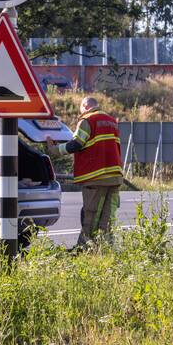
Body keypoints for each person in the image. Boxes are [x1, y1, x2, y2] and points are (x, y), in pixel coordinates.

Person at [46, 97, 123, 251]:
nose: (79, 113)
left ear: (85, 106)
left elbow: (77, 144)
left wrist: (55, 150)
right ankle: (106, 248)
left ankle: (84, 248)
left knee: (91, 215)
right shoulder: (111, 121)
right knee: (108, 216)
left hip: (96, 176)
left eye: (80, 108)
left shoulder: (87, 120)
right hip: (114, 177)